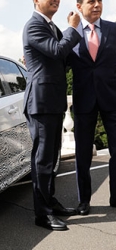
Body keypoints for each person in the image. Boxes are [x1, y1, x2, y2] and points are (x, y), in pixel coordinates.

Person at [22, 0, 81, 231]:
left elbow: (62, 59)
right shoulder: (33, 25)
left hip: (53, 101)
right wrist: (73, 29)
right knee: (43, 160)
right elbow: (58, 50)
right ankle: (42, 214)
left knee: (52, 158)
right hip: (41, 102)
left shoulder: (52, 27)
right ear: (36, 1)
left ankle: (50, 202)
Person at [68, 0, 116, 216]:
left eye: (99, 1)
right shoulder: (71, 34)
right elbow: (59, 62)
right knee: (83, 153)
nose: (97, 5)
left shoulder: (114, 29)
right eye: (90, 1)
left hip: (112, 99)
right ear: (79, 6)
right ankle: (84, 201)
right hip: (83, 101)